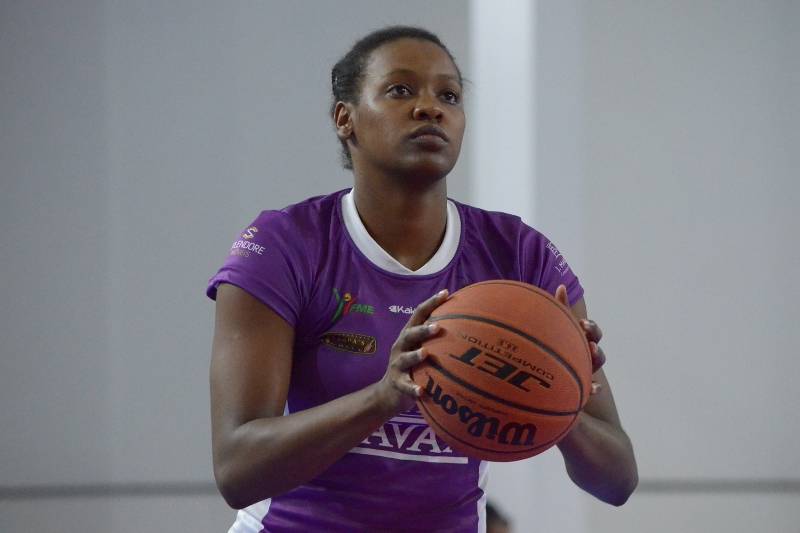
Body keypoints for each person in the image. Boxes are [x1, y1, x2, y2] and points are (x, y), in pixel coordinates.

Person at [206, 25, 637, 532]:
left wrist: (557, 400)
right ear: (345, 118)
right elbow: (237, 470)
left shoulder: (519, 255)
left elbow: (617, 481)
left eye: (448, 96)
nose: (430, 108)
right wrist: (382, 398)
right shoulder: (286, 244)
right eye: (400, 90)